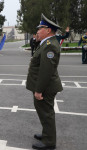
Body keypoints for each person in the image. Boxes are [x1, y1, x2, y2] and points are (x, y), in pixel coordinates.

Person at [26, 14, 63, 150]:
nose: (38, 31)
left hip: (45, 87)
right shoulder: (47, 43)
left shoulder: (50, 45)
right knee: (44, 112)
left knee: (46, 113)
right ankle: (47, 134)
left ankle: (49, 142)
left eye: (40, 28)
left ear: (48, 30)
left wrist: (39, 90)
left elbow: (45, 71)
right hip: (45, 86)